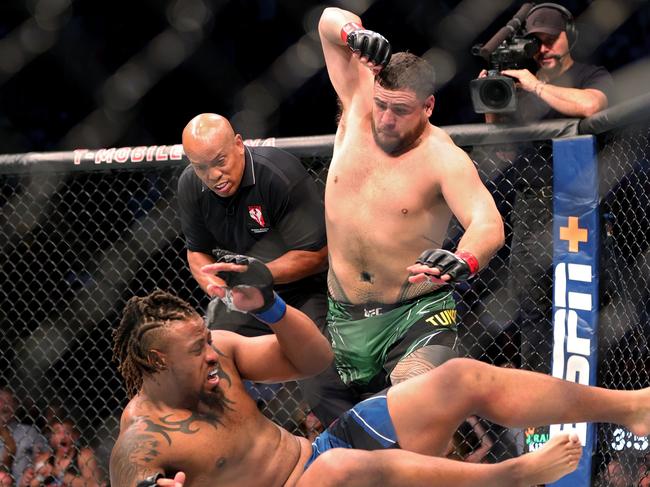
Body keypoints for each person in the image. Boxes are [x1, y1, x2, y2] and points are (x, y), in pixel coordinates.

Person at [108, 253, 650, 487]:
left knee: (458, 377)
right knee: (338, 473)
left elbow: (314, 359)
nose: (211, 352)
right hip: (322, 478)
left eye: (206, 340)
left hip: (320, 453)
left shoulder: (220, 352)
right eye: (196, 349)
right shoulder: (143, 438)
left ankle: (631, 408)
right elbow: (133, 475)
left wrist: (269, 306)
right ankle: (505, 477)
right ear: (156, 363)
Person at [316, 7, 505, 406]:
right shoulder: (356, 105)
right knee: (344, 449)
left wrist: (465, 259)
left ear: (428, 107)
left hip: (415, 313)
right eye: (382, 104)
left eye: (400, 110)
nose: (385, 118)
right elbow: (327, 20)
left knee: (412, 407)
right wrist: (353, 33)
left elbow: (488, 222)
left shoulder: (442, 157)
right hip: (341, 315)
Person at [178, 113, 340, 424]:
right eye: (201, 167)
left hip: (302, 289)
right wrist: (214, 286)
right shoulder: (190, 186)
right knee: (206, 359)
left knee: (321, 374)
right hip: (243, 294)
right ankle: (230, 445)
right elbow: (196, 251)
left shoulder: (277, 174)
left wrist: (263, 274)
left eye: (220, 160)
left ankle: (360, 448)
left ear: (239, 144)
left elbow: (318, 253)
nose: (213, 174)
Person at [480, 3, 614, 373]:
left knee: (592, 296)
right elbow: (497, 131)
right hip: (533, 204)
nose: (544, 50)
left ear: (569, 35)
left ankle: (597, 385)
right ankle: (539, 392)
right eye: (536, 42)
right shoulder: (522, 83)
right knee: (531, 306)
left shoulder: (590, 73)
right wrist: (496, 86)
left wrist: (536, 85)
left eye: (551, 40)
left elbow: (591, 104)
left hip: (584, 202)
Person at [0, 389, 48, 485]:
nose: (5, 406)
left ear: (15, 407)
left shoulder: (28, 431)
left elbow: (45, 456)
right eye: (1, 401)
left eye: (9, 402)